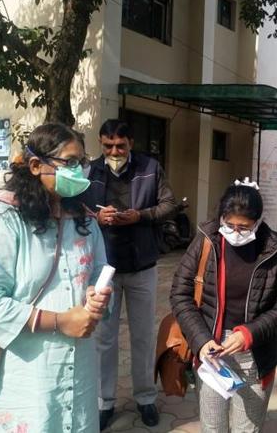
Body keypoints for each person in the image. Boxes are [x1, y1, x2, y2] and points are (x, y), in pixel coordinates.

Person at [0, 123, 112, 432]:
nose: (80, 171)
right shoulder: (2, 218)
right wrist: (59, 321)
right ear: (35, 165)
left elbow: (97, 272)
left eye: (82, 162)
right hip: (21, 378)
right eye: (69, 162)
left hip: (78, 373)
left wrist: (97, 296)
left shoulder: (84, 220)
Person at [170, 179, 277, 432]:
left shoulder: (276, 252)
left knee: (247, 428)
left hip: (256, 352)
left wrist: (249, 334)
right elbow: (180, 294)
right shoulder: (206, 241)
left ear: (258, 222)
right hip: (211, 349)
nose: (236, 233)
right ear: (221, 219)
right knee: (212, 426)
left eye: (244, 227)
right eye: (229, 225)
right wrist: (201, 339)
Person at [82, 119, 176, 429]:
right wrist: (97, 216)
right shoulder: (90, 170)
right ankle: (104, 401)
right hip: (103, 268)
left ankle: (146, 398)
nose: (114, 151)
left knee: (142, 336)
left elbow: (168, 205)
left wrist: (141, 215)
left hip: (142, 266)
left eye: (120, 145)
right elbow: (75, 209)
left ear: (131, 143)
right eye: (108, 146)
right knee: (104, 338)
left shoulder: (150, 167)